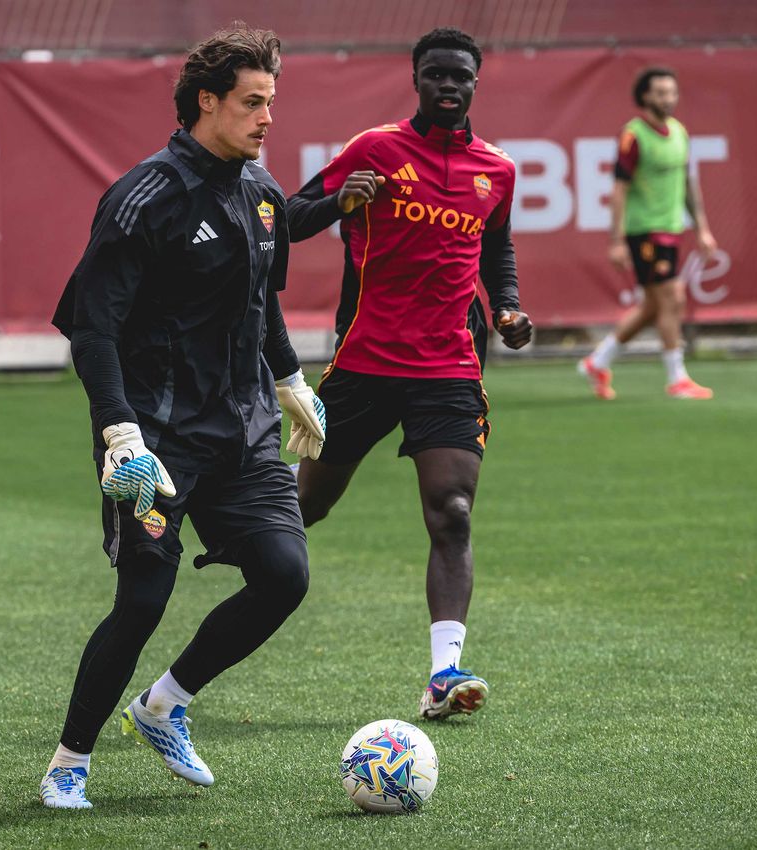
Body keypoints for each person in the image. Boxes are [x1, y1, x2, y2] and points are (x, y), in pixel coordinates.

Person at [40, 23, 326, 810]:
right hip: (153, 441)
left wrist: (292, 380)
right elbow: (92, 327)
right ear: (207, 101)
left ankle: (164, 705)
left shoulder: (265, 196)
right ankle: (69, 760)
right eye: (252, 102)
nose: (267, 118)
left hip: (242, 435)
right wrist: (119, 433)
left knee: (284, 575)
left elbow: (260, 303)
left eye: (271, 101)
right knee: (141, 601)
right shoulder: (144, 197)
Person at [286, 27, 532, 721]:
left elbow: (496, 247)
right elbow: (285, 219)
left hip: (449, 366)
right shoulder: (373, 150)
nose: (448, 85)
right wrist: (340, 201)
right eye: (435, 74)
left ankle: (443, 674)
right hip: (364, 362)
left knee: (451, 514)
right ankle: (230, 527)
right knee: (307, 507)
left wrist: (507, 306)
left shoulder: (497, 170)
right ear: (416, 79)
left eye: (460, 75)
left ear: (475, 83)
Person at [579, 67, 719, 400]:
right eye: (660, 93)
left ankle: (598, 362)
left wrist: (702, 228)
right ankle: (677, 379)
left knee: (655, 308)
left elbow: (688, 183)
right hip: (644, 232)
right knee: (673, 298)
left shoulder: (680, 132)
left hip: (673, 230)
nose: (668, 98)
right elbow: (618, 190)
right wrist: (616, 241)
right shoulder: (634, 136)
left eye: (672, 92)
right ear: (645, 97)